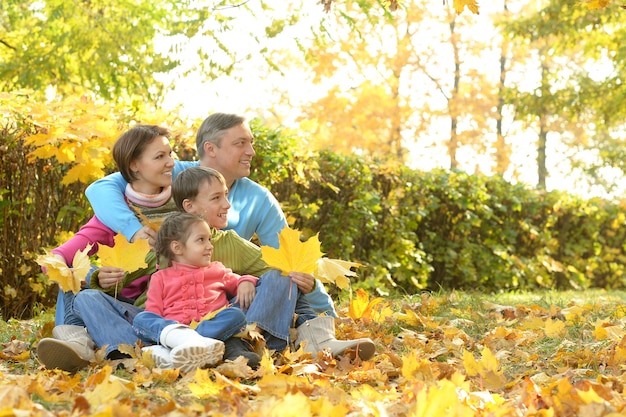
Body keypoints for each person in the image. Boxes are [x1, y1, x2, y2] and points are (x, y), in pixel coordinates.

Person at [39, 165, 375, 372]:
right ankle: (125, 352)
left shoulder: (229, 244)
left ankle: (258, 346)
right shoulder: (158, 239)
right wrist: (100, 276)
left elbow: (276, 270)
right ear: (190, 206)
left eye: (225, 196)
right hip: (154, 327)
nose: (226, 204)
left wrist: (298, 281)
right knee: (83, 295)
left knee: (277, 278)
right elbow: (122, 285)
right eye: (216, 198)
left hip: (222, 321)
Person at [84, 113, 338, 317]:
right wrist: (130, 235)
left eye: (252, 143)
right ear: (211, 149)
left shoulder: (258, 201)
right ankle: (99, 341)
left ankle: (283, 335)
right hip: (159, 309)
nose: (251, 151)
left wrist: (325, 310)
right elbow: (100, 188)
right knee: (86, 295)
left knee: (279, 281)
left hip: (222, 300)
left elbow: (282, 262)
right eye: (241, 143)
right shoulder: (175, 175)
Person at [133, 212, 260, 371]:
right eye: (201, 240)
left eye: (209, 239)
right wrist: (168, 332)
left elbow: (238, 281)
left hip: (216, 331)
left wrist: (247, 280)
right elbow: (154, 312)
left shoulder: (217, 270)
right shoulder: (160, 278)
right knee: (142, 319)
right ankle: (182, 343)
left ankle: (181, 351)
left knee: (235, 315)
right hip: (175, 332)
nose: (210, 246)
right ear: (177, 247)